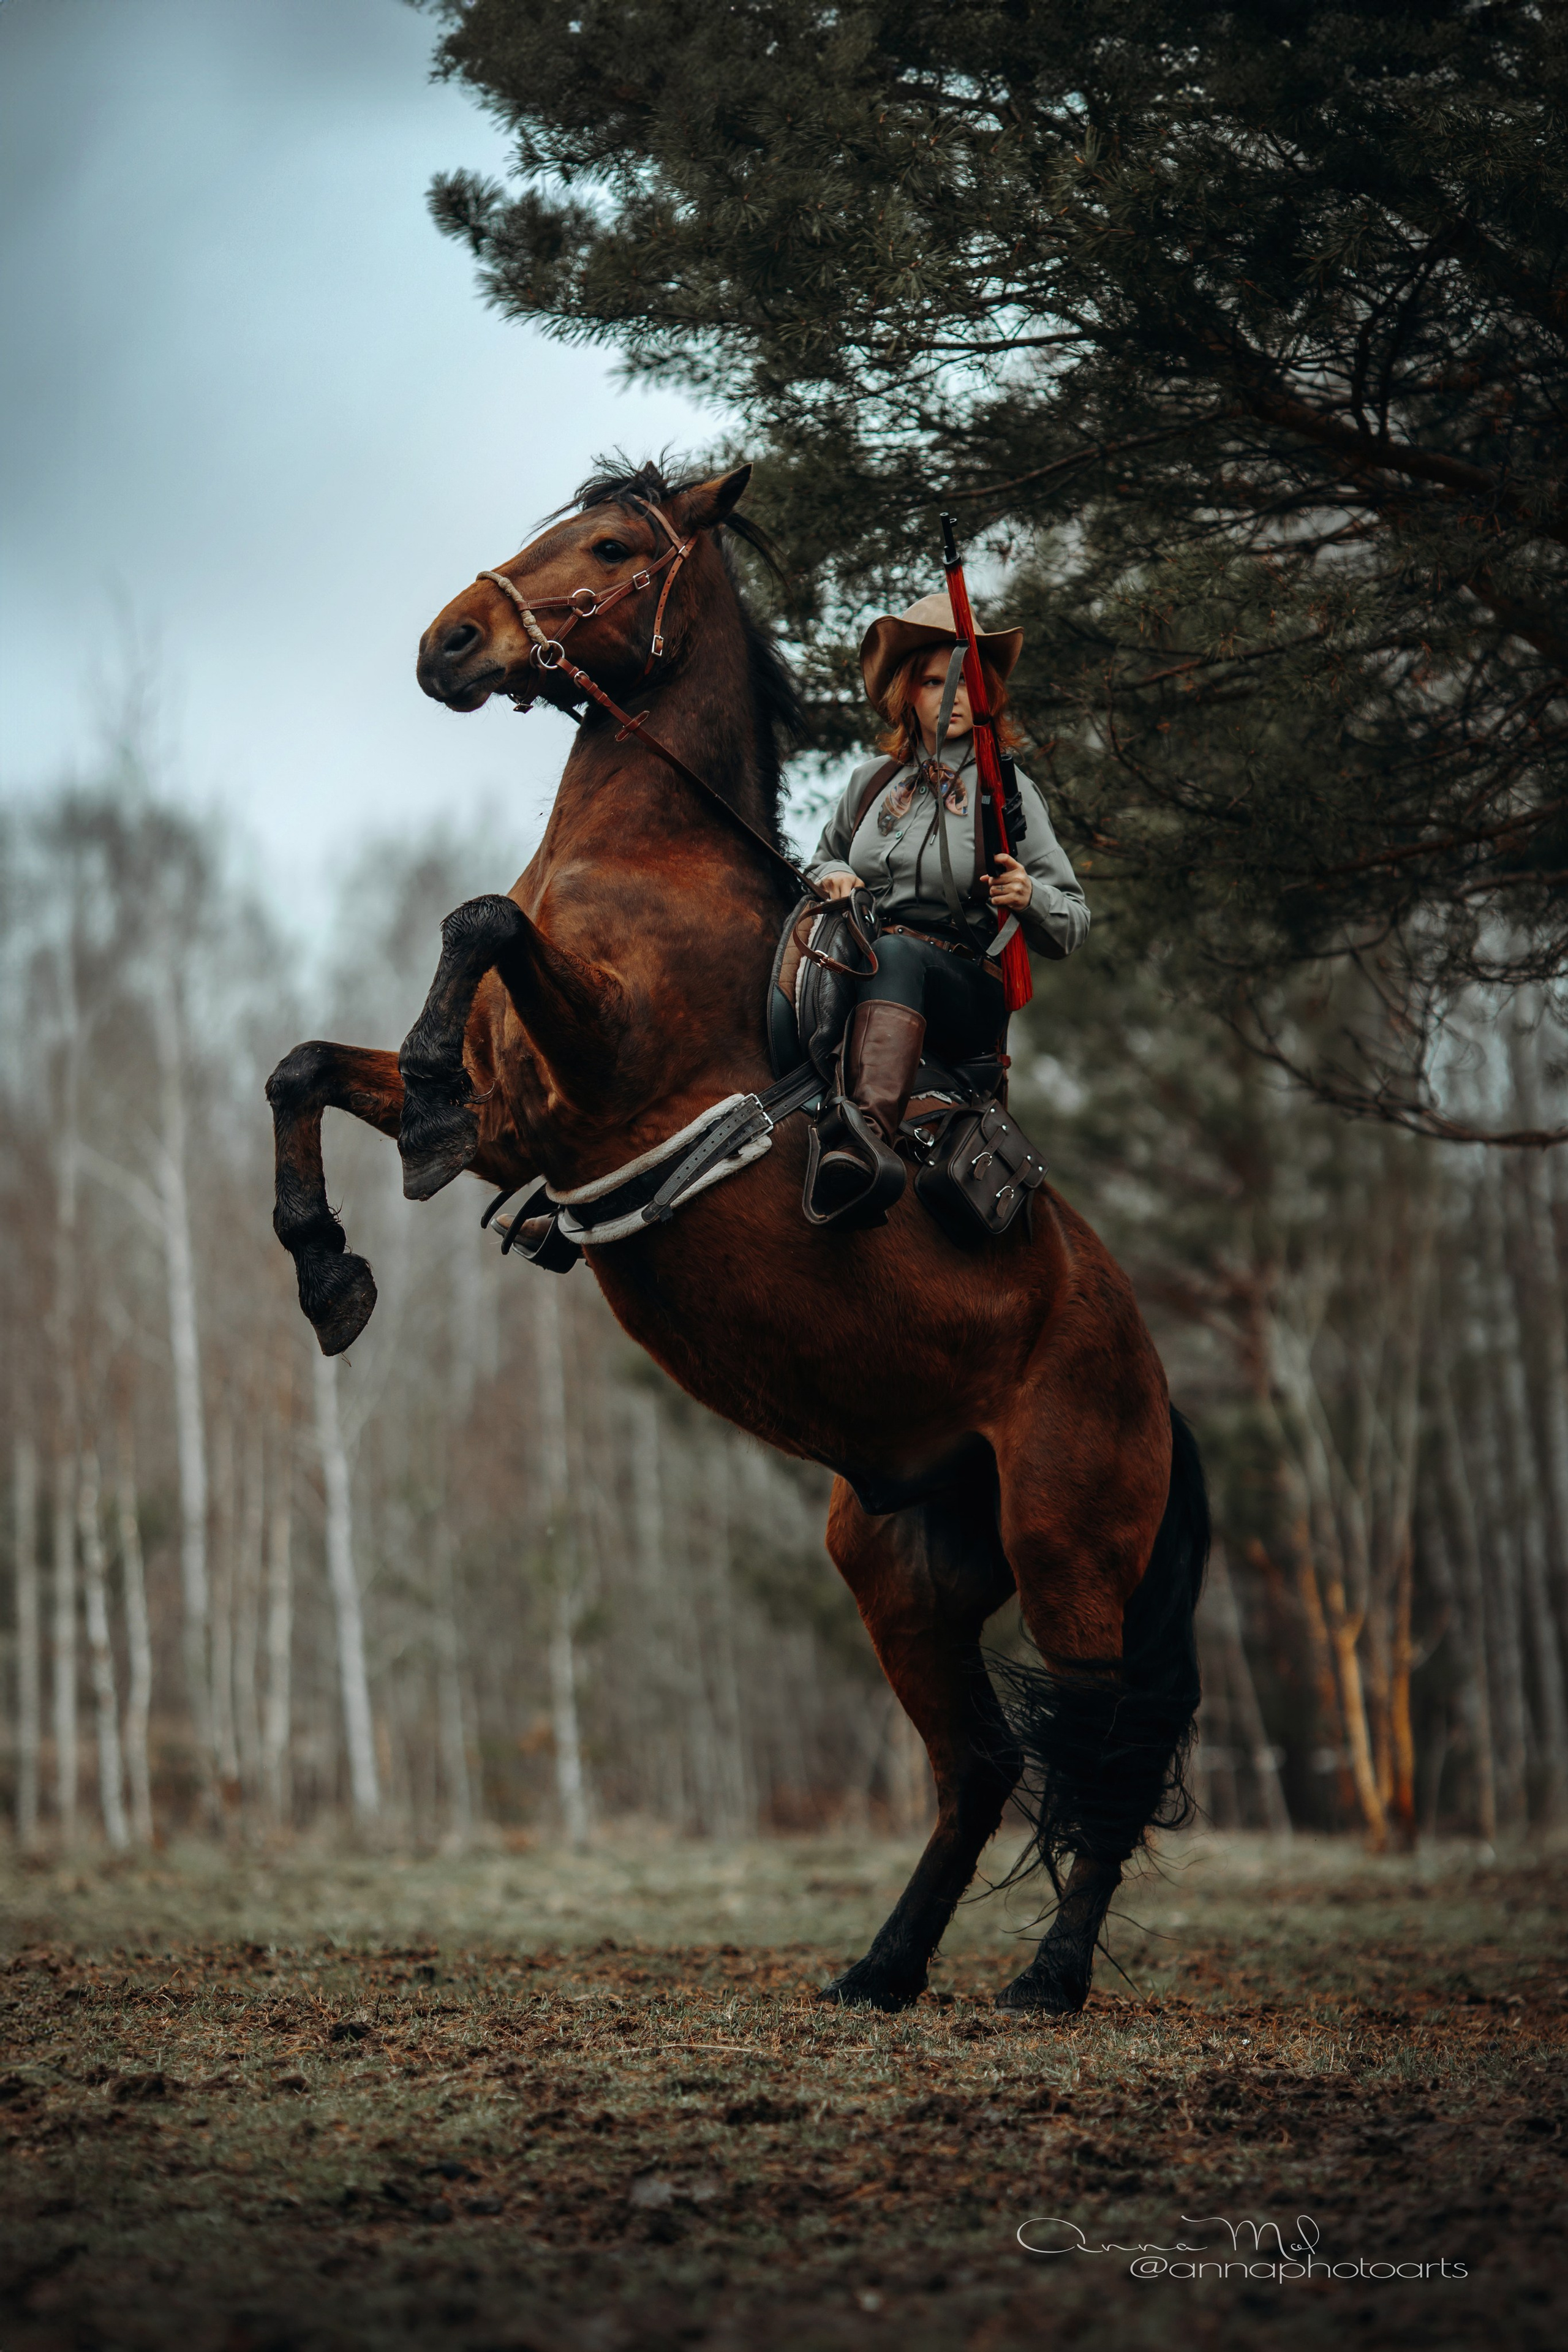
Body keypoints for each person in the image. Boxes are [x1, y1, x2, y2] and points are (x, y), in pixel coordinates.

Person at [802, 592, 1088, 1226]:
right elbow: (818, 860)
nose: (952, 694)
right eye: (935, 681)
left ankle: (863, 1137)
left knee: (900, 953)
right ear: (910, 693)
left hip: (963, 989)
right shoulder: (871, 782)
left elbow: (1072, 920)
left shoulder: (1008, 794)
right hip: (868, 958)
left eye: (966, 682)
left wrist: (1030, 897)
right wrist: (836, 875)